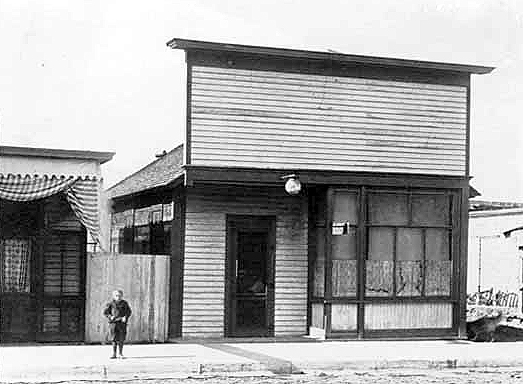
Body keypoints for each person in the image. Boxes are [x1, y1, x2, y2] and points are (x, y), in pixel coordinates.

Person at [103, 289, 132, 359]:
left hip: (122, 323)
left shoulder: (124, 303)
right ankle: (114, 354)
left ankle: (120, 353)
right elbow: (106, 313)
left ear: (122, 296)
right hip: (113, 323)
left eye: (120, 296)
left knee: (121, 338)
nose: (118, 297)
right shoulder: (110, 303)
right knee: (114, 338)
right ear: (113, 296)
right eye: (116, 296)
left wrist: (125, 317)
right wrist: (110, 316)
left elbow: (129, 312)